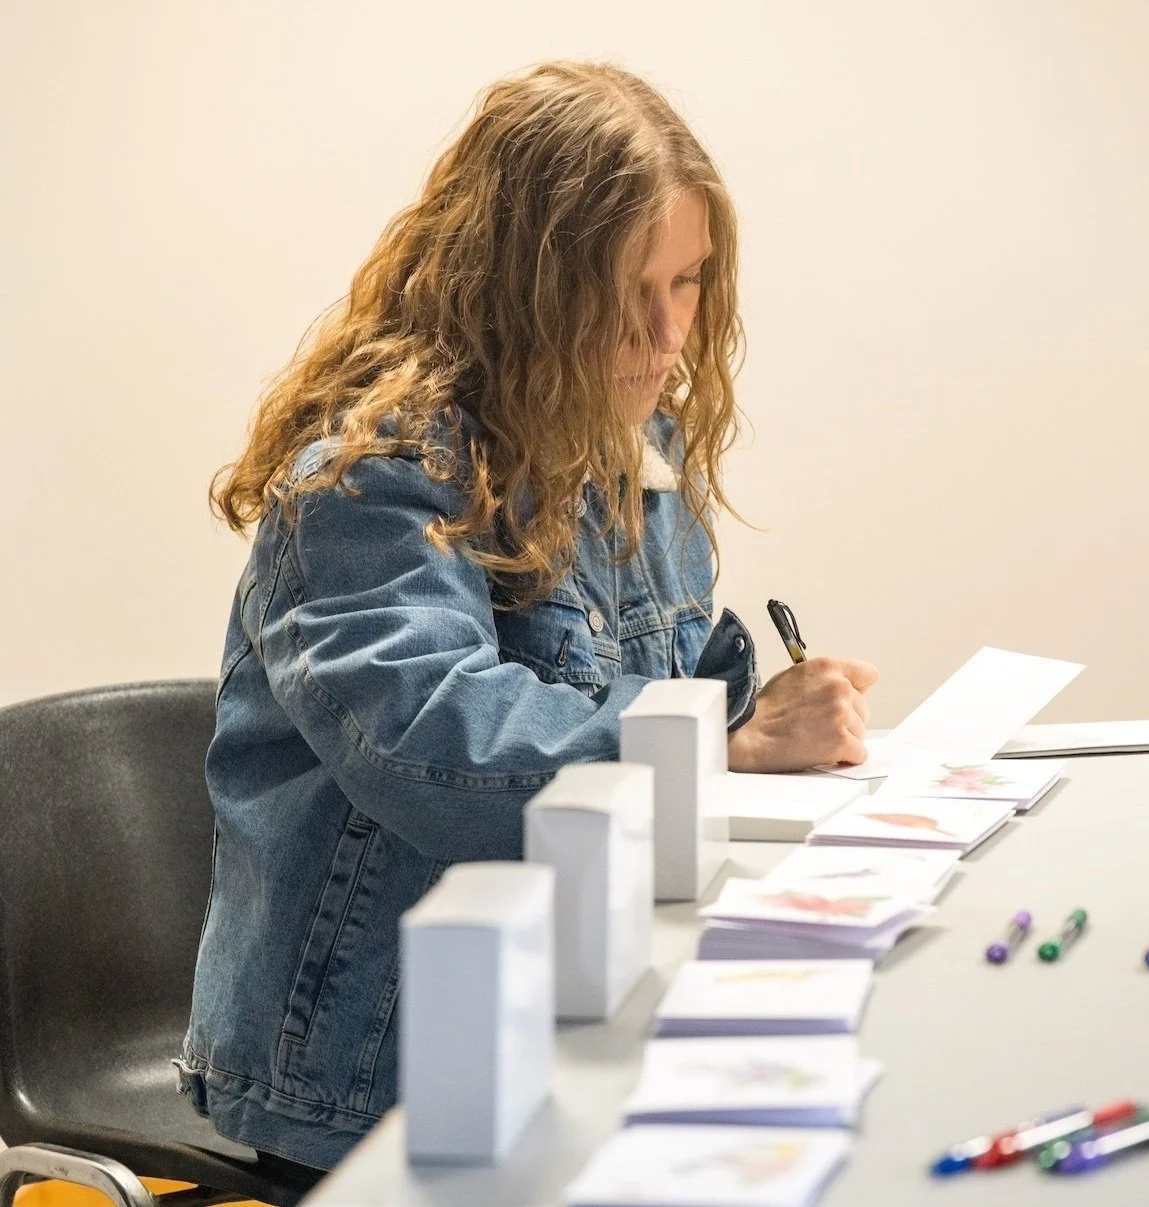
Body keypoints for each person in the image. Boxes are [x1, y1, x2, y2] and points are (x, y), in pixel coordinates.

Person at [175, 60, 878, 1171]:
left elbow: (661, 679)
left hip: (574, 1004)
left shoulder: (627, 450)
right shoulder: (368, 480)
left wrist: (750, 707)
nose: (666, 334)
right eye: (624, 293)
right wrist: (717, 737)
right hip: (374, 1073)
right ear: (524, 287)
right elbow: (434, 742)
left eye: (687, 282)